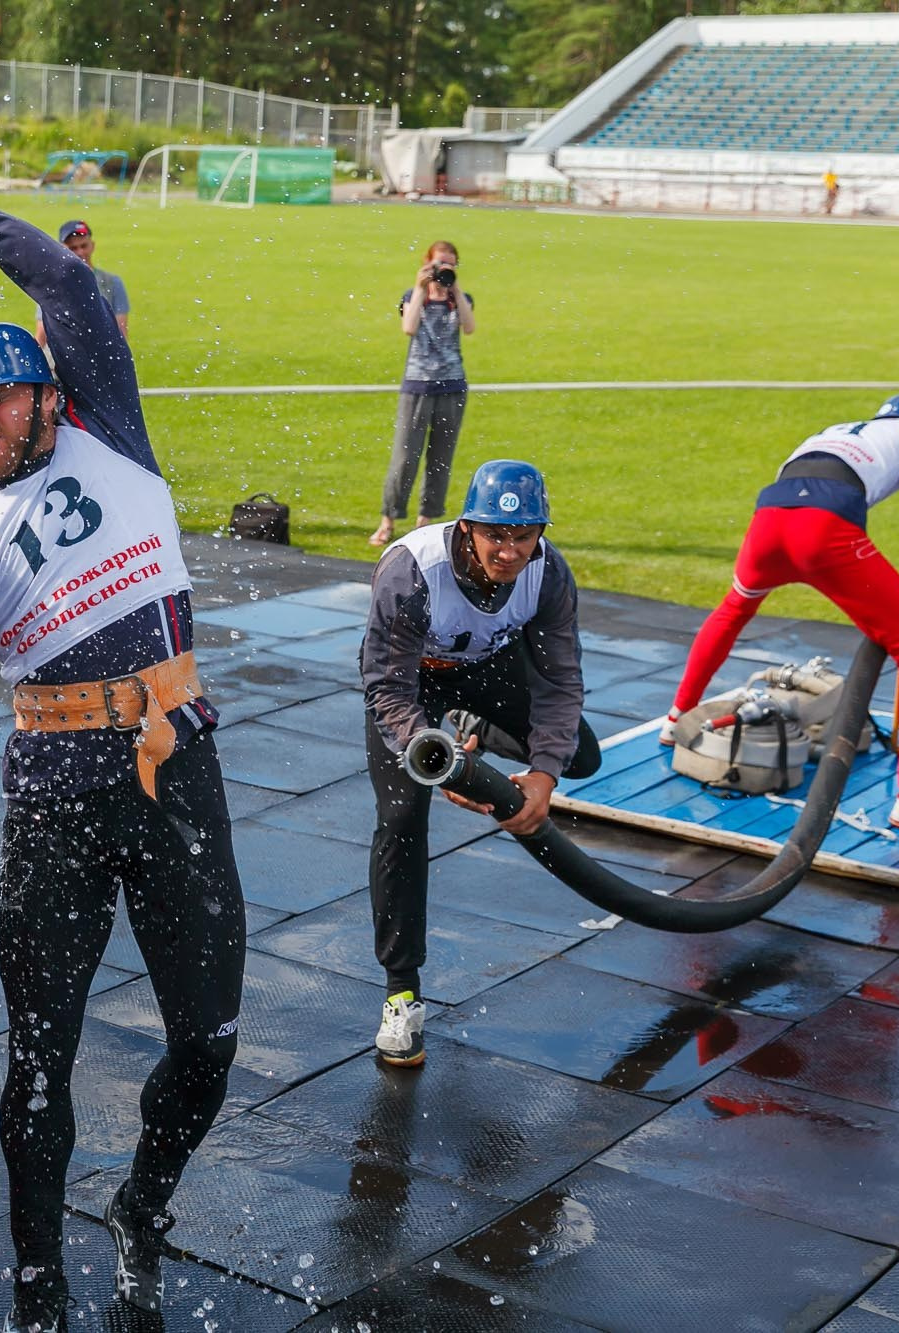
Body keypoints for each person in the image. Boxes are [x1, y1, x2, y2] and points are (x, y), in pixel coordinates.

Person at [0, 129, 246, 1333]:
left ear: (46, 394)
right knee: (39, 1055)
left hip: (170, 760)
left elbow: (72, 291)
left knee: (208, 1039)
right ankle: (38, 1277)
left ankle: (142, 1202)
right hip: (51, 784)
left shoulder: (110, 433)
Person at [361, 459, 599, 1068]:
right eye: (496, 534)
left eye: (524, 536)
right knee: (401, 819)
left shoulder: (546, 573)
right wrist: (440, 762)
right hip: (413, 685)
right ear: (467, 528)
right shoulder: (412, 572)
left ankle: (472, 730)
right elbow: (386, 691)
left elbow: (559, 680)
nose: (510, 550)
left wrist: (543, 775)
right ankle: (402, 993)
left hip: (489, 671)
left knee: (580, 754)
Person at [664, 396, 899, 831]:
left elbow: (805, 488)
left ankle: (677, 716)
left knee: (733, 609)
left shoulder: (835, 431)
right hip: (825, 528)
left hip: (769, 520)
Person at [369, 241, 476, 548]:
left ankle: (426, 522)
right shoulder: (411, 296)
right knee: (405, 457)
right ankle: (388, 520)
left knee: (441, 459)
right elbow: (408, 326)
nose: (444, 269)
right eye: (439, 264)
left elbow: (469, 328)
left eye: (450, 264)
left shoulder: (461, 299)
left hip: (453, 387)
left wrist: (455, 290)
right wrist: (420, 288)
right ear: (426, 263)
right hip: (417, 386)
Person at [33, 219, 129, 344]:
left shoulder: (112, 283)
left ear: (92, 245)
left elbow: (121, 332)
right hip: (59, 357)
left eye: (84, 246)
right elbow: (42, 332)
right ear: (61, 249)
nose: (80, 252)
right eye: (73, 248)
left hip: (98, 356)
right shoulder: (52, 285)